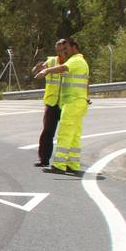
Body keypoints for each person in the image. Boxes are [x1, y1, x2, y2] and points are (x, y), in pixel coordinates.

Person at [36, 38, 89, 175]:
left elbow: (63, 68)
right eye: (62, 49)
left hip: (72, 102)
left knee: (65, 134)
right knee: (74, 135)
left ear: (74, 47)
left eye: (66, 49)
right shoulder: (80, 61)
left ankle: (59, 165)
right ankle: (73, 164)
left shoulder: (76, 60)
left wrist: (46, 71)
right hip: (76, 102)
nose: (64, 52)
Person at [32, 38, 69, 168]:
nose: (61, 53)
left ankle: (65, 162)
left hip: (66, 103)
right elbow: (36, 72)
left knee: (66, 133)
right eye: (58, 50)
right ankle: (44, 159)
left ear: (68, 49)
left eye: (63, 49)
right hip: (52, 103)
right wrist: (37, 69)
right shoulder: (51, 61)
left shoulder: (72, 62)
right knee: (47, 132)